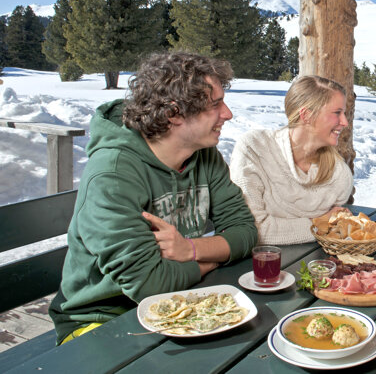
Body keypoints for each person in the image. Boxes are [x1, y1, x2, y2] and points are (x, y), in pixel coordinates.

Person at [49, 52, 257, 344]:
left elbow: (245, 232)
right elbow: (149, 283)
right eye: (215, 104)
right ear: (174, 114)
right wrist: (210, 259)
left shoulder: (204, 155)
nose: (228, 114)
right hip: (102, 318)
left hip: (184, 303)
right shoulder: (113, 174)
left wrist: (190, 249)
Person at [230, 75, 353, 244]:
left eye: (344, 113)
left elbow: (336, 228)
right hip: (258, 260)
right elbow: (252, 229)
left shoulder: (338, 175)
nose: (345, 122)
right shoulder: (255, 149)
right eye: (337, 113)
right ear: (306, 115)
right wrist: (320, 223)